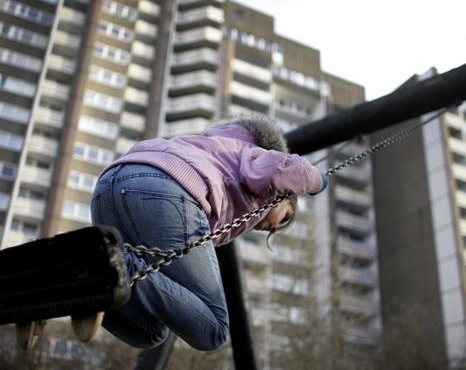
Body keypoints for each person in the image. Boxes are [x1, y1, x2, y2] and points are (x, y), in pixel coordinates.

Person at [86, 114, 327, 351]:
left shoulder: (211, 146)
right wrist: (318, 180)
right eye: (284, 217)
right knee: (214, 329)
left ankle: (83, 283)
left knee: (150, 331)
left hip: (108, 186)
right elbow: (286, 168)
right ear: (284, 195)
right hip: (167, 188)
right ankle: (111, 266)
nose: (274, 228)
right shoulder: (254, 154)